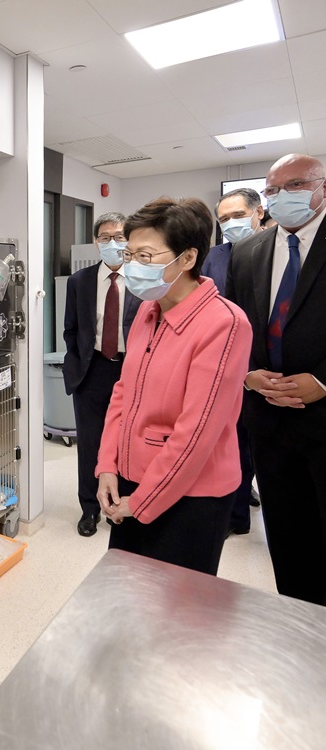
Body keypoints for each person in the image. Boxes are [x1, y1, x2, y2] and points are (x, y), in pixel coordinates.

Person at [96, 197, 251, 574]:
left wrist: (143, 500)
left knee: (178, 613)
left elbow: (197, 432)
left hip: (192, 496)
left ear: (186, 258)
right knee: (128, 592)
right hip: (133, 479)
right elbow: (123, 394)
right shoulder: (149, 312)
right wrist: (107, 467)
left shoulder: (223, 324)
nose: (131, 266)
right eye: (128, 254)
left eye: (145, 257)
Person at [225, 153, 326, 605]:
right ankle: (298, 620)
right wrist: (247, 375)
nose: (283, 197)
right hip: (268, 423)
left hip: (323, 416)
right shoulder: (247, 252)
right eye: (273, 190)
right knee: (287, 538)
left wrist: (324, 381)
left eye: (296, 185)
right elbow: (236, 328)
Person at [62, 212, 142, 537]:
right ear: (96, 242)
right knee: (91, 443)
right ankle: (89, 509)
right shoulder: (79, 281)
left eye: (120, 236)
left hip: (131, 370)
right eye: (105, 237)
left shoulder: (141, 278)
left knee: (125, 443)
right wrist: (76, 366)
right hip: (91, 370)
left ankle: (118, 507)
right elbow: (71, 330)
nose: (113, 243)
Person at [203, 188, 263, 535]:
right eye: (223, 219)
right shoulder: (215, 256)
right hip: (228, 364)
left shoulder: (275, 250)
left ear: (258, 213)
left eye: (237, 216)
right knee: (233, 441)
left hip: (272, 367)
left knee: (257, 443)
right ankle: (235, 515)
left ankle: (247, 488)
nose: (230, 224)